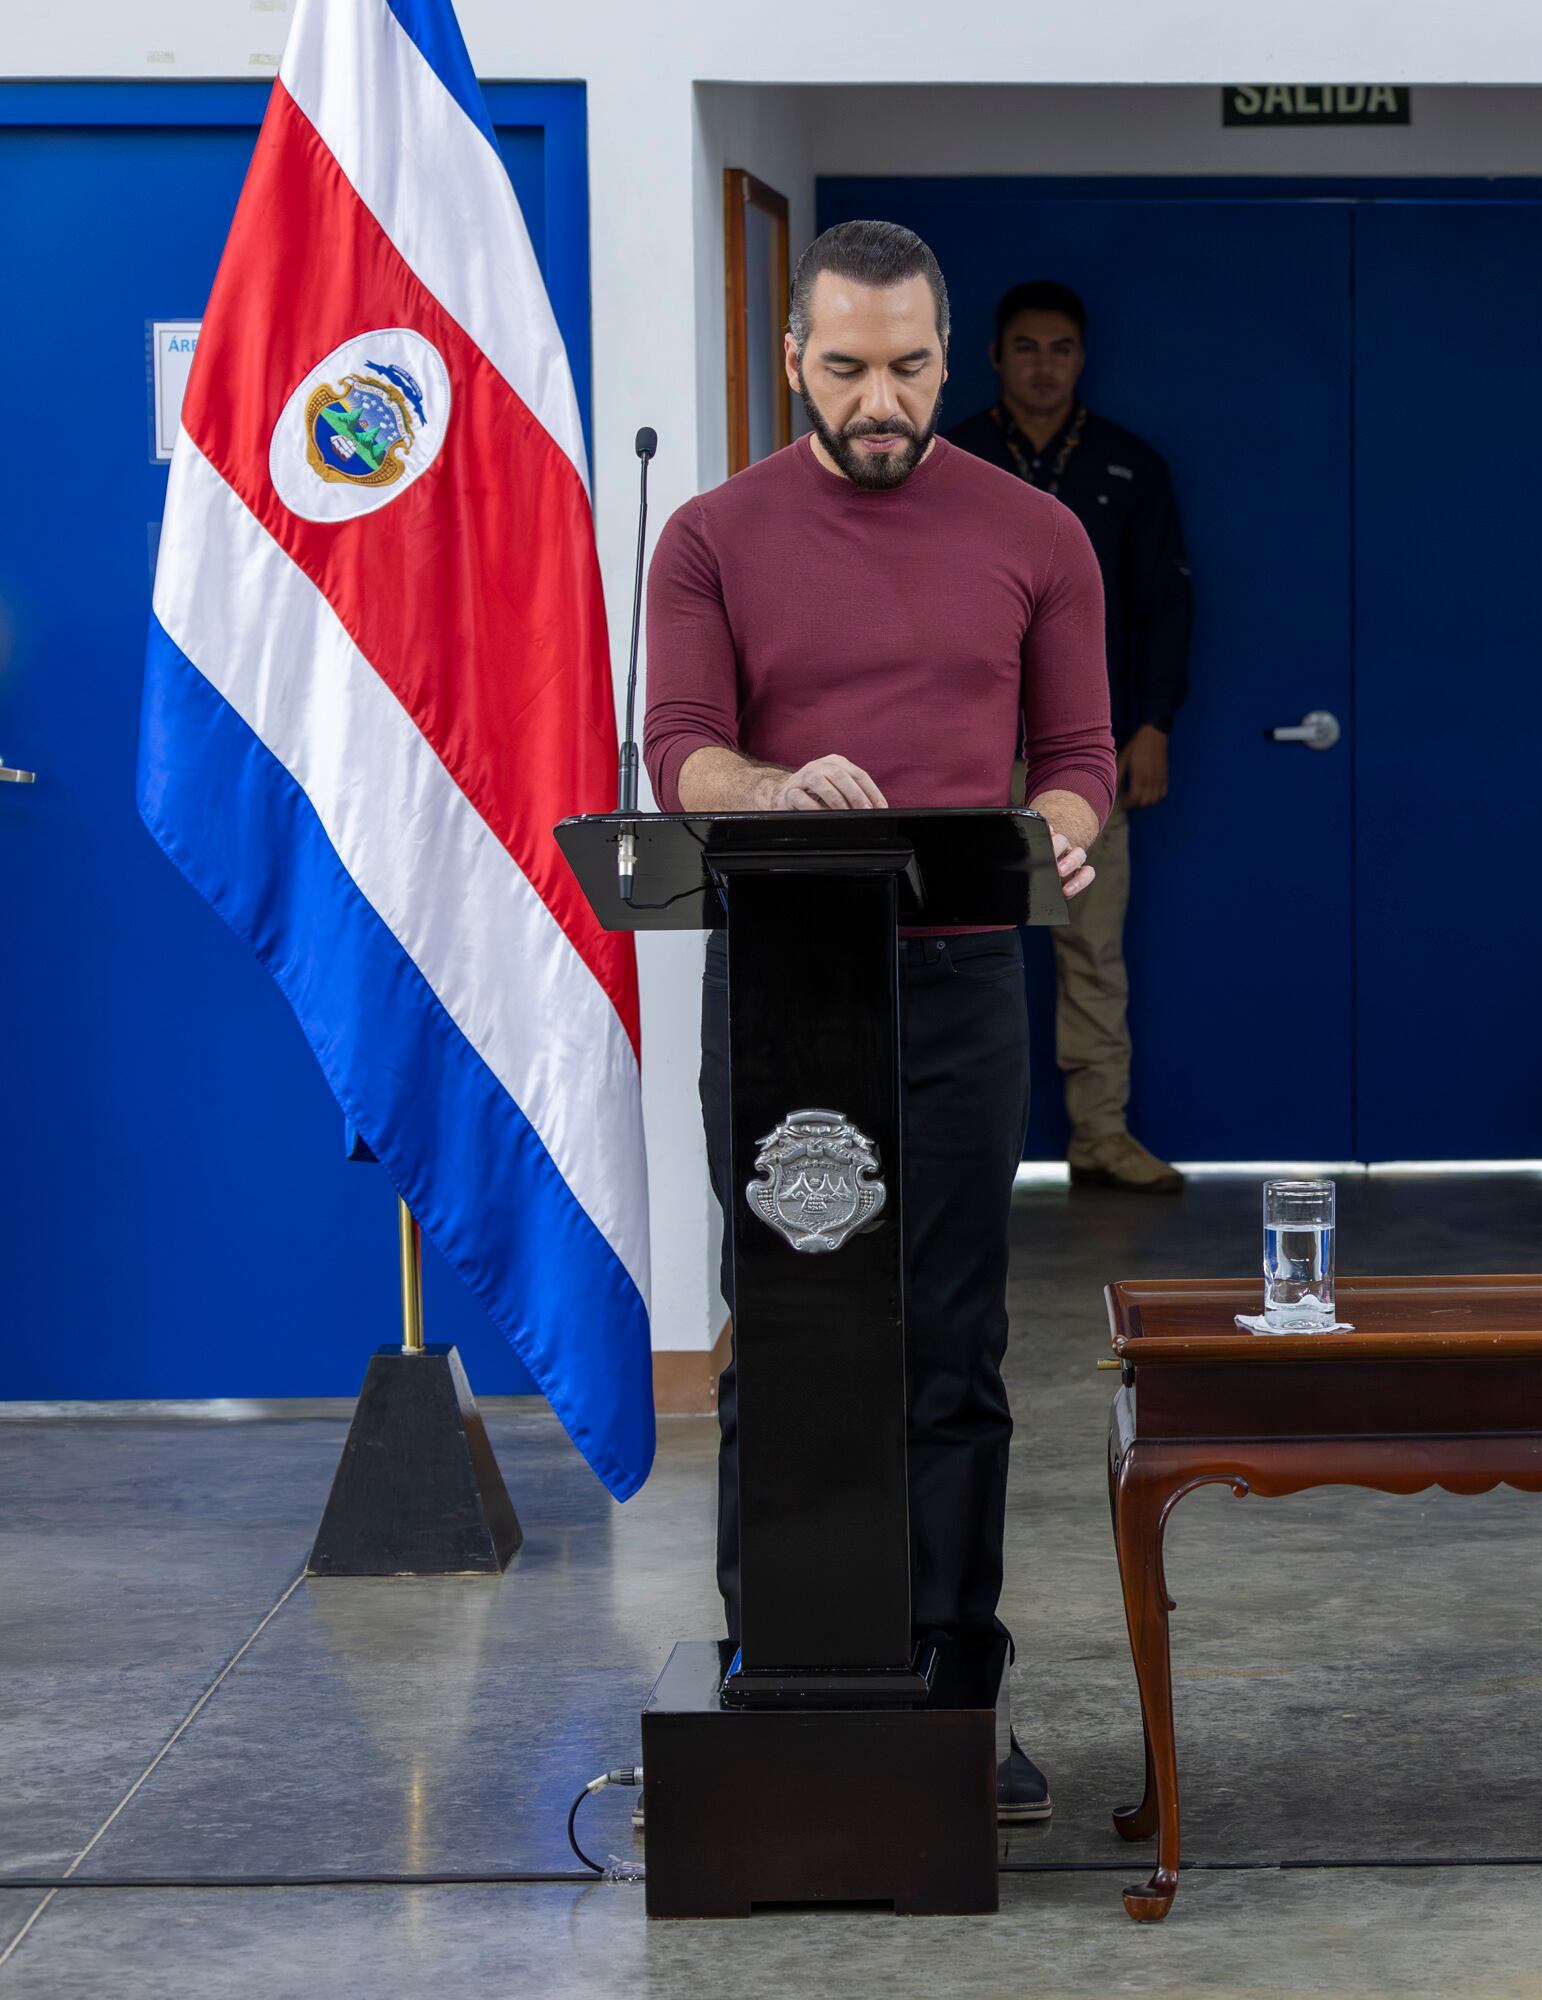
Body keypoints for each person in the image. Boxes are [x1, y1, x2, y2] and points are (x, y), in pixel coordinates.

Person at [642, 220, 1116, 1819]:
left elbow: (1080, 750)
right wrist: (778, 791)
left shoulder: (1037, 533)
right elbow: (683, 754)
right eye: (846, 369)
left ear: (945, 350)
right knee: (781, 1337)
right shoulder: (710, 537)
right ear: (793, 361)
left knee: (952, 1343)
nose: (881, 401)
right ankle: (770, 1664)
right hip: (785, 984)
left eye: (910, 367)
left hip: (965, 975)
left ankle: (953, 1677)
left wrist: (1061, 816)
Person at [948, 281, 1194, 1195]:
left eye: (1059, 348)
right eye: (1025, 347)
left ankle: (1099, 1133)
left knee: (1092, 948)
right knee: (962, 945)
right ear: (994, 356)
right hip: (960, 753)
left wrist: (1154, 724)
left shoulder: (1129, 466)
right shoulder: (953, 459)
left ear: (1081, 358)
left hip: (1085, 750)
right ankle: (967, 1149)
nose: (1042, 365)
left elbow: (1164, 606)